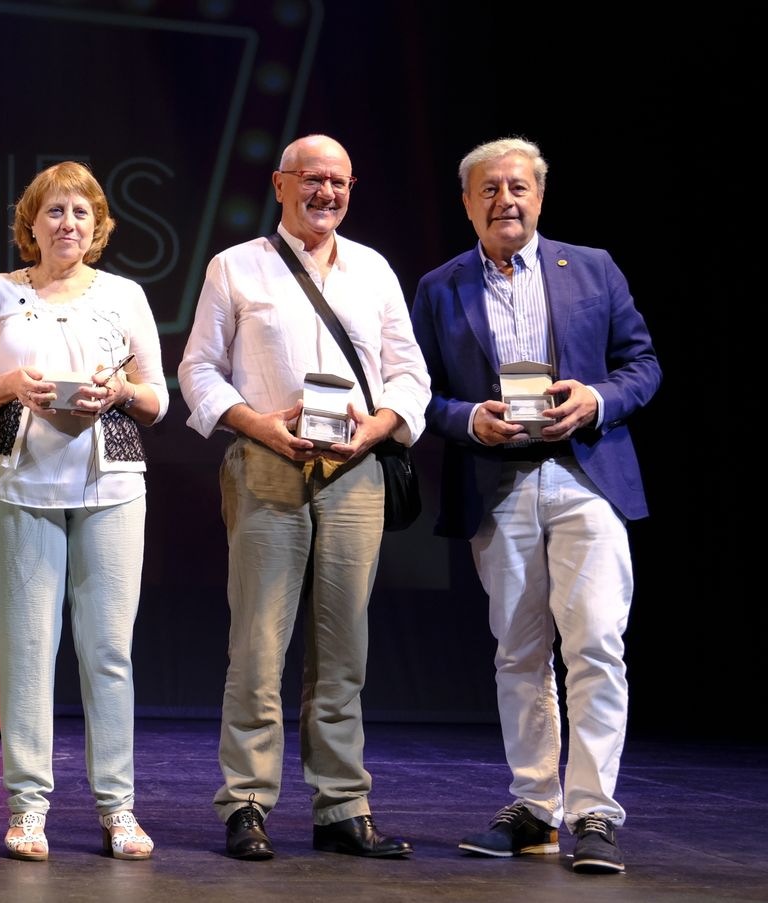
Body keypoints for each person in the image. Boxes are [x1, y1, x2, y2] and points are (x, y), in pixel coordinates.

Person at [411, 137, 659, 875]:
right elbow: (414, 391)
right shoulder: (439, 285)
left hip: (587, 477)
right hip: (500, 484)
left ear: (540, 196)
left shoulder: (592, 267)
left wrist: (596, 398)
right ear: (467, 202)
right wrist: (465, 420)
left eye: (517, 187)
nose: (504, 201)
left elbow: (643, 364)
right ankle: (534, 807)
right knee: (518, 652)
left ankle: (593, 813)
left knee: (595, 647)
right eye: (488, 190)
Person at [179, 135, 430, 860]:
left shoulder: (374, 269)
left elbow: (410, 376)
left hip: (355, 473)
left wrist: (378, 427)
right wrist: (258, 424)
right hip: (266, 465)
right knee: (258, 645)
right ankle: (248, 803)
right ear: (280, 184)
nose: (327, 192)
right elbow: (197, 370)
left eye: (340, 181)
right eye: (313, 179)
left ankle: (343, 806)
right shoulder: (236, 266)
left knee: (343, 649)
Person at [0, 161, 168, 862]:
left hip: (111, 487)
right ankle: (27, 808)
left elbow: (159, 397)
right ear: (32, 223)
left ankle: (118, 808)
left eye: (80, 212)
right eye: (54, 212)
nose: (67, 224)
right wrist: (11, 382)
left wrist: (120, 391)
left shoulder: (125, 295)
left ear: (98, 226)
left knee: (108, 650)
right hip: (20, 486)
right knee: (26, 651)